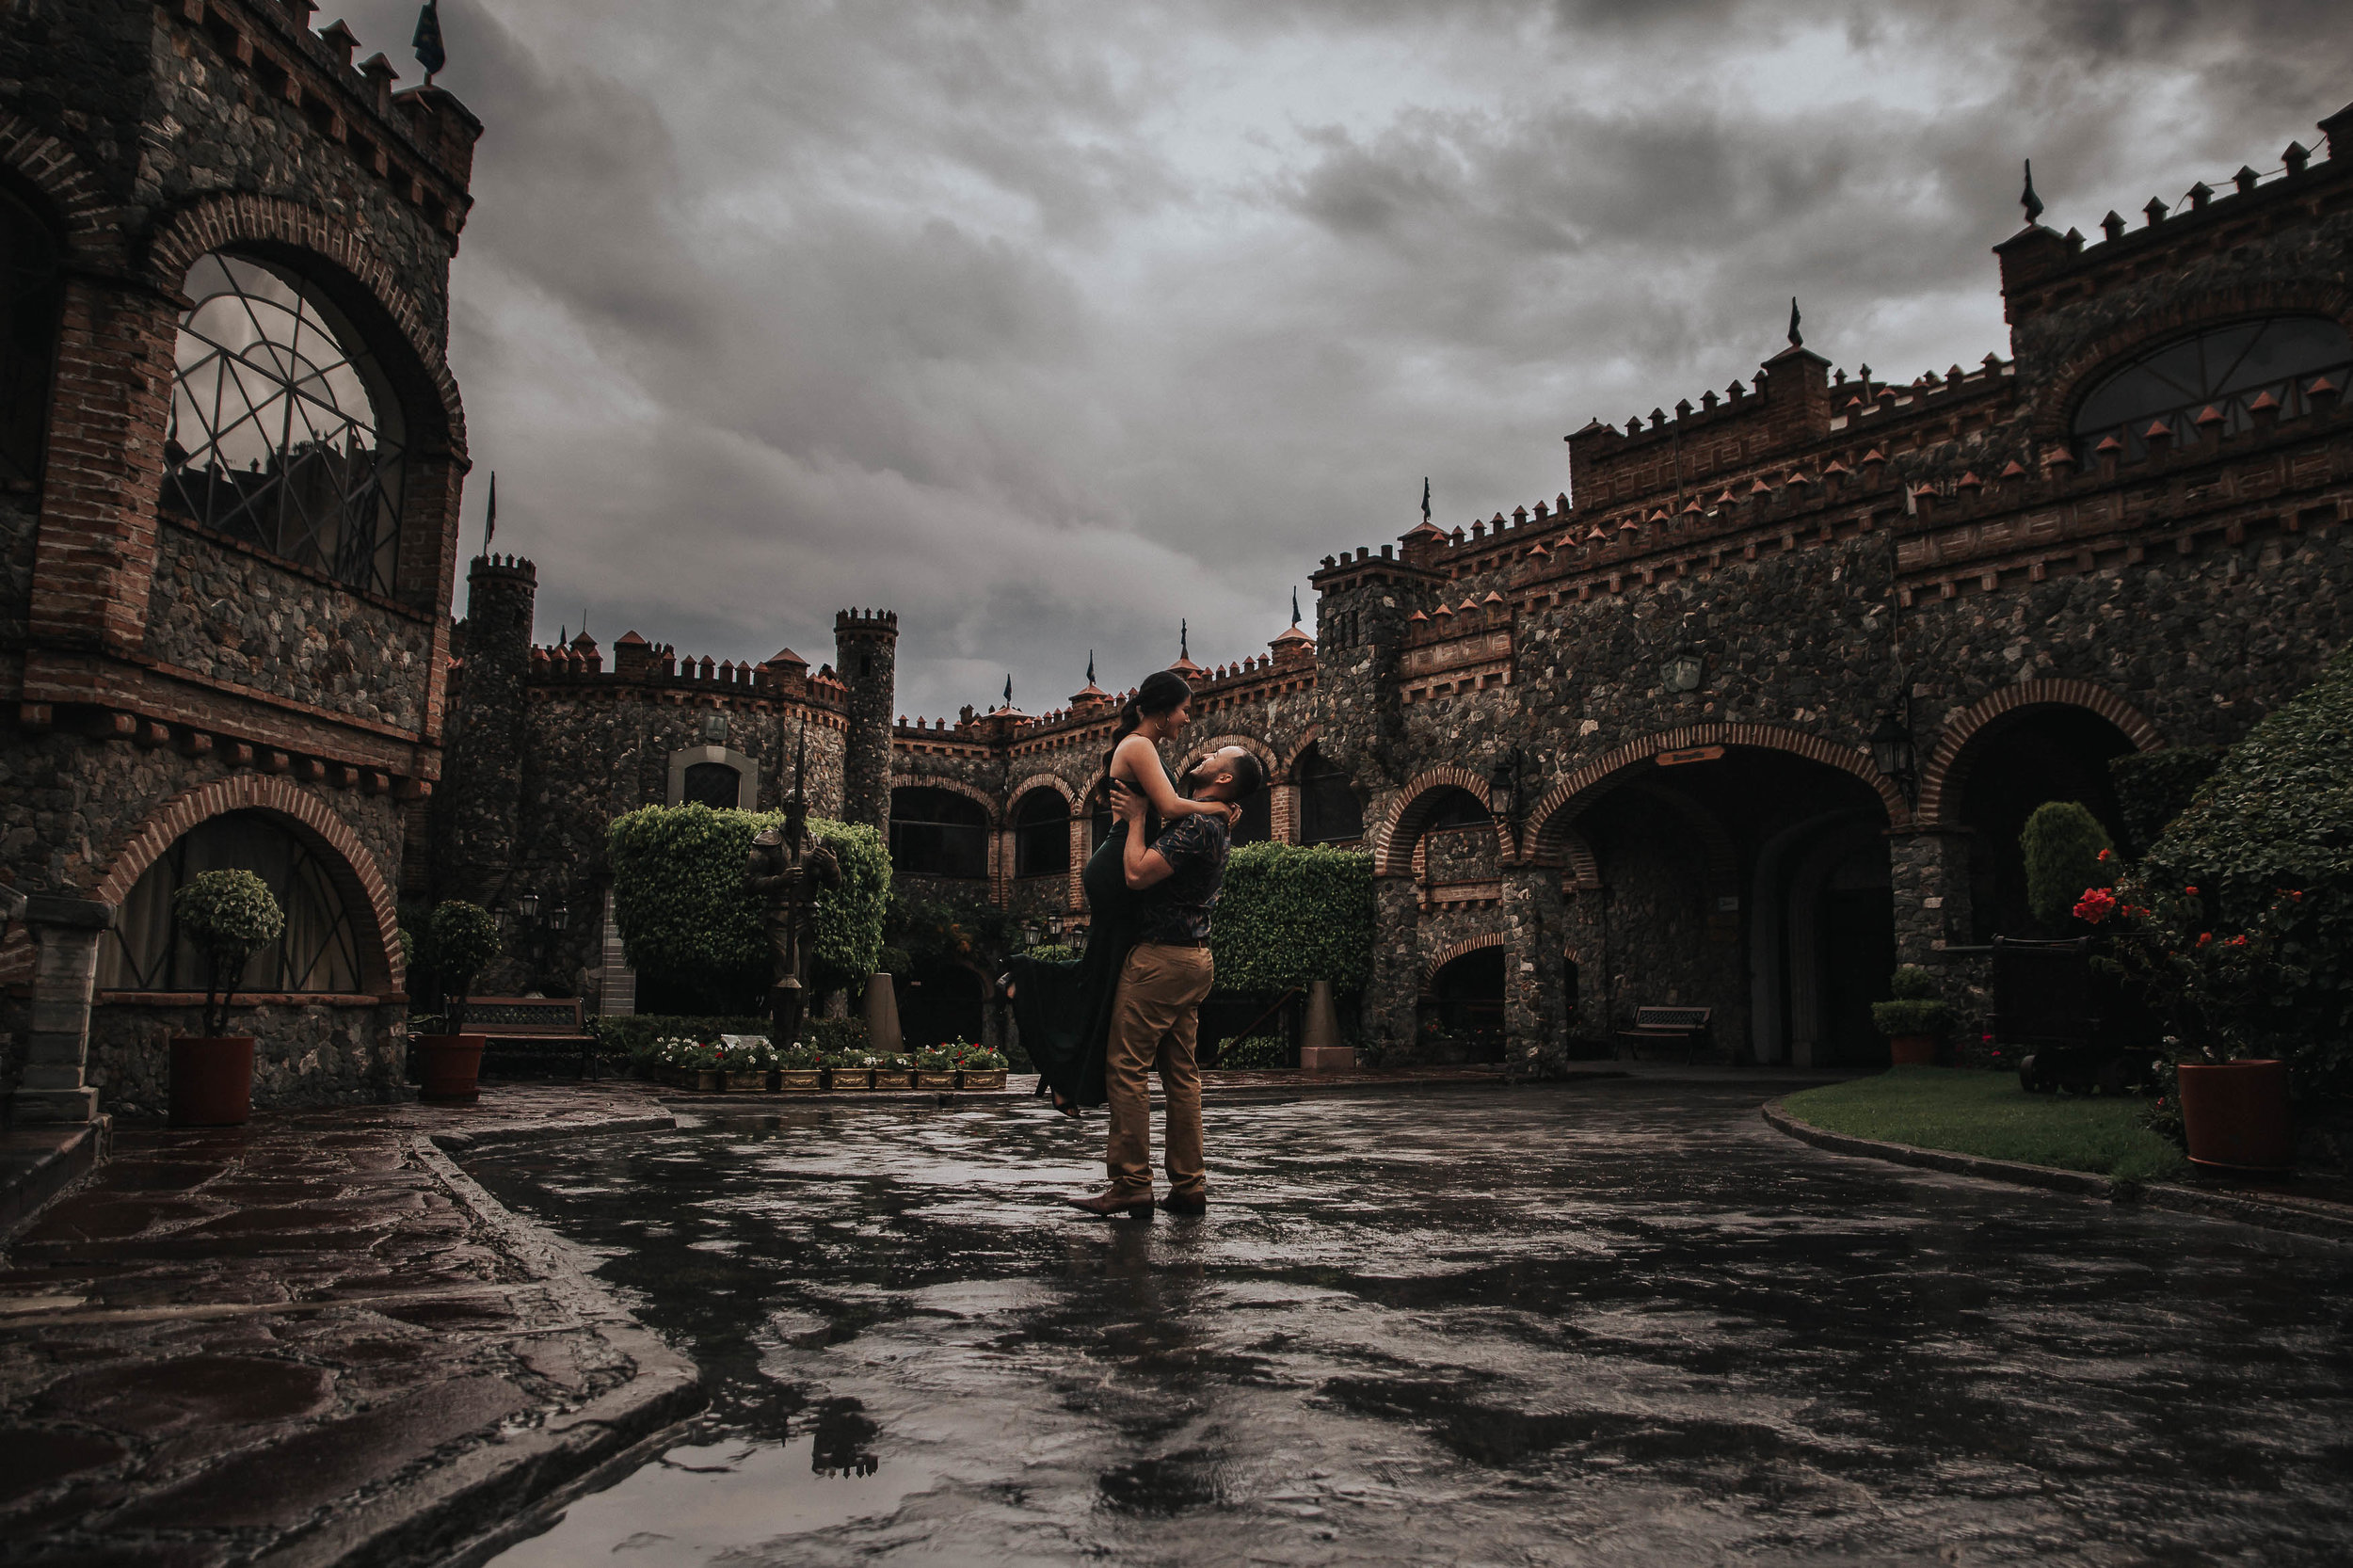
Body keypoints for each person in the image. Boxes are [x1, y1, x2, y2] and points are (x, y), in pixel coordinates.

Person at [1006, 670, 1235, 1116]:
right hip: (1117, 866)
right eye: (1185, 710)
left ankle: (1065, 1080)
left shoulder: (1142, 747)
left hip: (1118, 859)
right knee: (1104, 973)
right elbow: (1168, 808)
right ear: (1164, 710)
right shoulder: (1138, 745)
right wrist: (1217, 808)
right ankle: (1026, 981)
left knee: (1106, 973)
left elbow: (1162, 811)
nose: (1188, 720)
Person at [1067, 744, 1263, 1219]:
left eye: (1219, 754)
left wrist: (1135, 821)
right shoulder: (1211, 820)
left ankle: (1131, 1183)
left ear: (1223, 781)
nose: (1208, 752)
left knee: (1127, 1067)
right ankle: (1189, 1185)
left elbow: (1135, 874)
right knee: (1181, 1074)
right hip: (1193, 961)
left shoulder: (1198, 826)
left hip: (1158, 962)